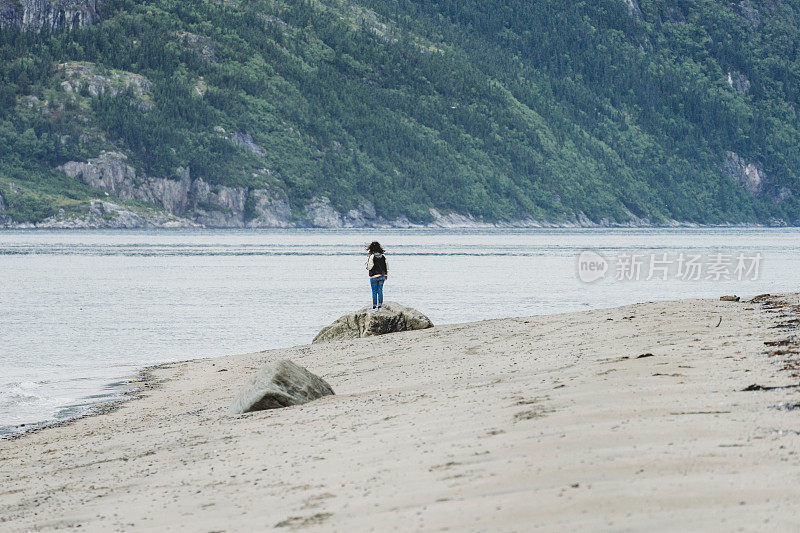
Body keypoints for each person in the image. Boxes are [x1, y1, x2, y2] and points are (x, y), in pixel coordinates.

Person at [365, 241, 388, 309]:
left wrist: (367, 265)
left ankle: (374, 305)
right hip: (382, 276)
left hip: (374, 276)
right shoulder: (383, 256)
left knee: (374, 291)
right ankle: (380, 304)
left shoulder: (372, 256)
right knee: (380, 290)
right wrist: (386, 275)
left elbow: (370, 267)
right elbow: (387, 266)